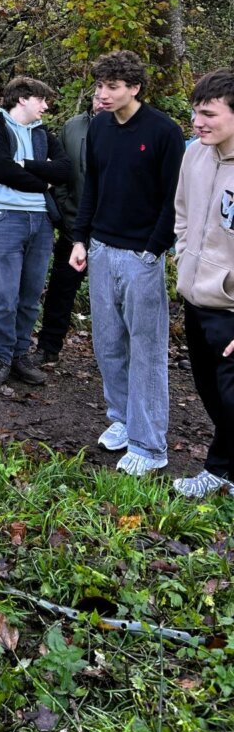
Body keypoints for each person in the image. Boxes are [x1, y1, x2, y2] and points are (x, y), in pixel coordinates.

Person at [70, 50, 184, 476]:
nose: (102, 94)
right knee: (108, 343)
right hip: (100, 248)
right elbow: (91, 186)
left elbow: (175, 197)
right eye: (99, 86)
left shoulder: (163, 131)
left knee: (147, 350)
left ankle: (150, 445)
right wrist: (81, 238)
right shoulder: (99, 127)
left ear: (134, 88)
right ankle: (122, 419)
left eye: (112, 87)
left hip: (141, 255)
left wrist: (154, 248)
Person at [0, 76, 71, 391]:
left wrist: (25, 163)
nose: (46, 106)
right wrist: (43, 180)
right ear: (23, 98)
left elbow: (64, 169)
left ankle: (19, 356)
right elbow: (1, 169)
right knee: (2, 296)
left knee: (29, 296)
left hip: (40, 221)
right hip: (1, 219)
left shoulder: (44, 135)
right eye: (42, 100)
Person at [173, 70, 234, 498]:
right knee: (213, 397)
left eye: (209, 113)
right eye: (195, 112)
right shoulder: (194, 154)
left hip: (230, 310)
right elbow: (181, 212)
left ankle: (219, 469)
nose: (198, 122)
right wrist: (184, 255)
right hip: (196, 298)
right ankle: (224, 472)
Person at [31, 91, 104, 365]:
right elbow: (60, 170)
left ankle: (114, 357)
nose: (100, 99)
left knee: (111, 299)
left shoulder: (128, 130)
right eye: (96, 94)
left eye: (105, 93)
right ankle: (48, 348)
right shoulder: (73, 126)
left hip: (111, 232)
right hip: (74, 225)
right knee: (61, 291)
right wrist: (63, 206)